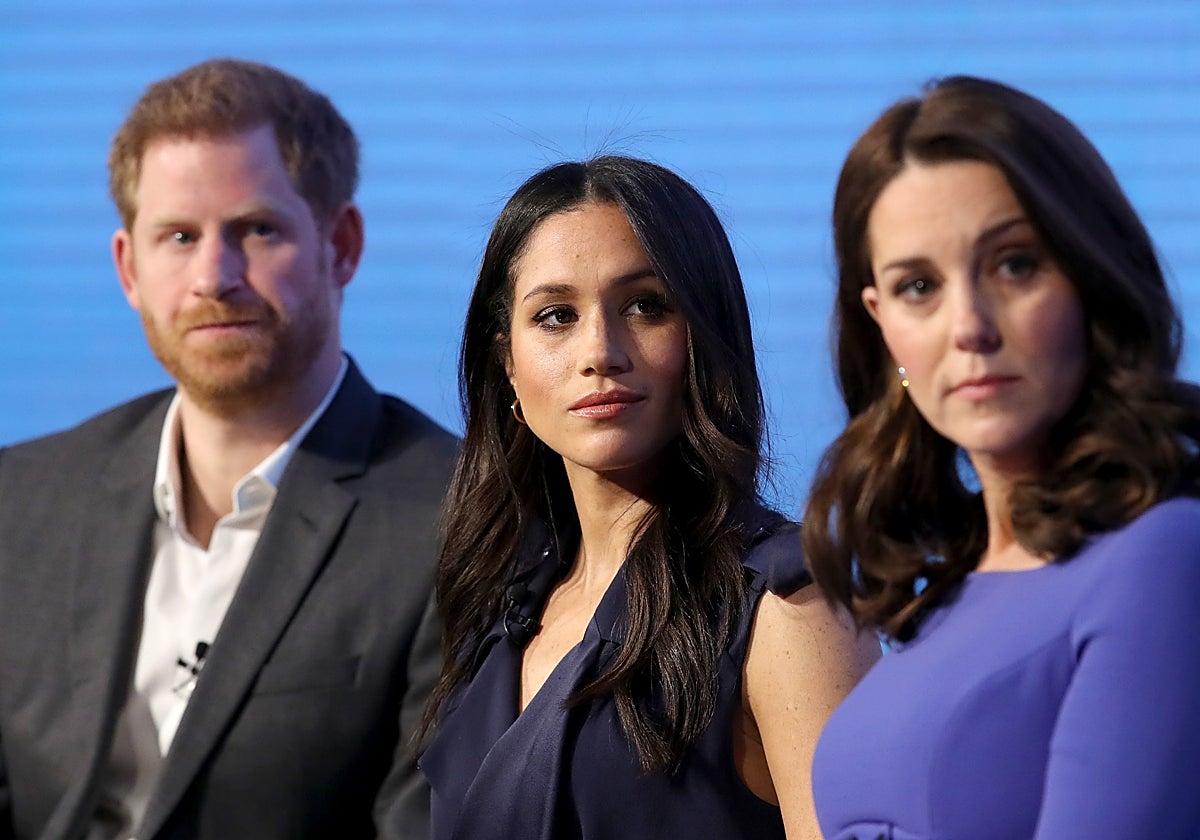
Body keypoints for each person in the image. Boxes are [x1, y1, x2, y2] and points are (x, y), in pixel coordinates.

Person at [0, 59, 457, 839]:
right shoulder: (22, 496)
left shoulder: (461, 521)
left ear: (340, 245)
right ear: (128, 269)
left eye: (256, 230)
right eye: (178, 236)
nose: (215, 276)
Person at [418, 155, 879, 839]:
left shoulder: (789, 602)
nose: (599, 350)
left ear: (705, 334)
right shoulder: (498, 605)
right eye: (555, 316)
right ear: (507, 367)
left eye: (645, 306)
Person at [804, 75, 1200, 839]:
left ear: (1089, 274)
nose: (970, 327)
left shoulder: (1161, 557)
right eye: (919, 285)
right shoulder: (940, 595)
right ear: (881, 325)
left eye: (1014, 264)